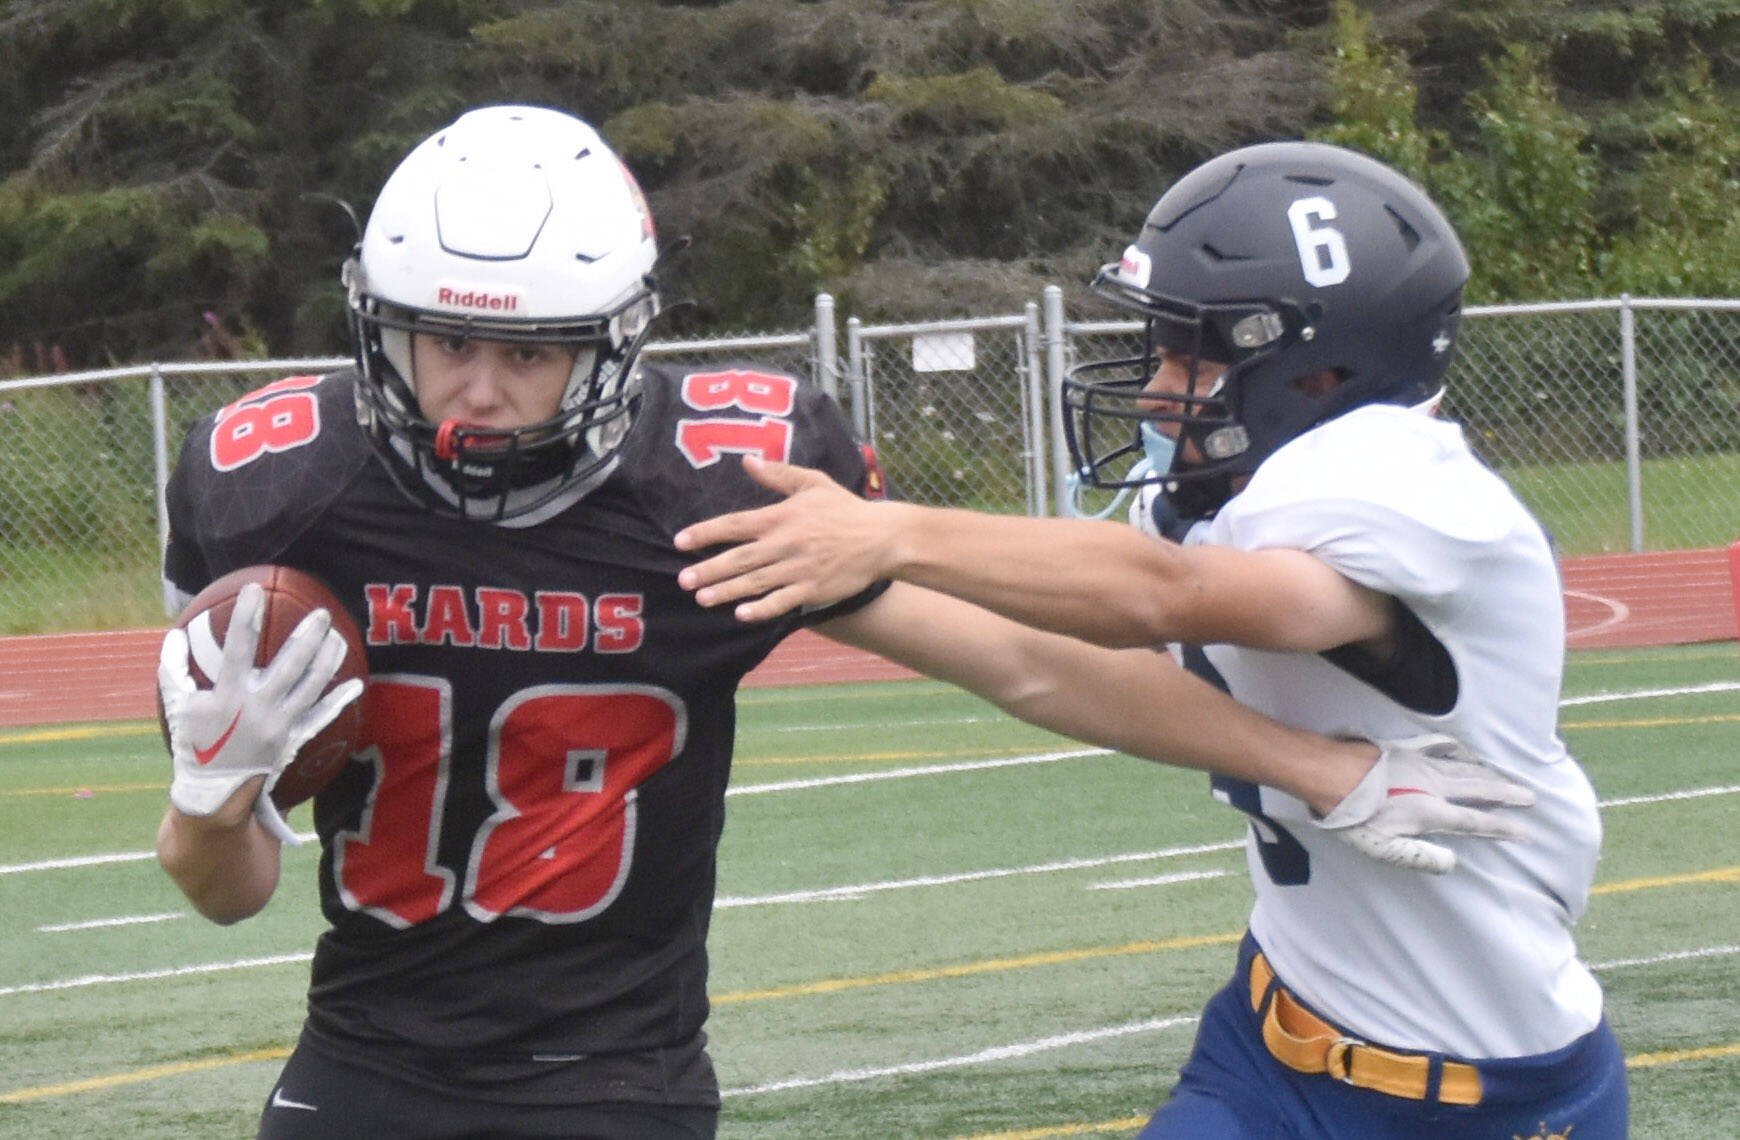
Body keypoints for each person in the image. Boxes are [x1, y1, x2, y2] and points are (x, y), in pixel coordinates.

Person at [154, 111, 1535, 1140]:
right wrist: (211, 800)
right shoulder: (277, 494)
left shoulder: (710, 490)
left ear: (617, 342)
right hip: (360, 1062)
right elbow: (226, 886)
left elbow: (1025, 664)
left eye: (529, 352)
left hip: (612, 1080)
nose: (476, 392)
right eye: (445, 341)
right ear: (376, 324)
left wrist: (1311, 765)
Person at [673, 141, 1624, 1139]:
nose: (1157, 389)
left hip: (1494, 1093)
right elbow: (1044, 667)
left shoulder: (1399, 479)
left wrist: (891, 533)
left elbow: (1166, 596)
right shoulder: (1236, 493)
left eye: (1191, 355)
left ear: (1316, 371)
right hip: (1269, 1046)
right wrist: (824, 584)